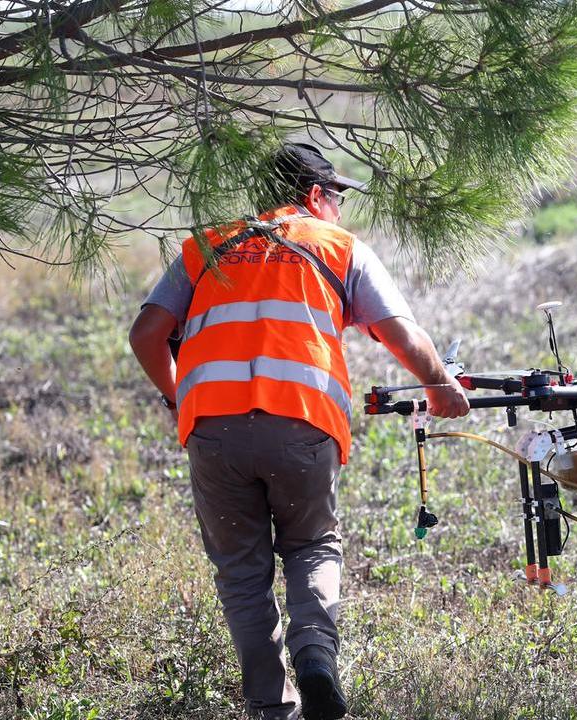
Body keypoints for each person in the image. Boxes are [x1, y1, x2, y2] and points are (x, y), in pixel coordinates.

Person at [128, 142, 470, 719]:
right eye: (336, 197)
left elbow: (145, 335)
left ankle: (270, 705)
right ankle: (314, 654)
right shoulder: (339, 246)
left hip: (214, 431)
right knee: (312, 544)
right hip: (302, 426)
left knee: (242, 572)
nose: (338, 209)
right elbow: (402, 335)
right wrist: (441, 386)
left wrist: (176, 394)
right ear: (314, 196)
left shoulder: (206, 246)